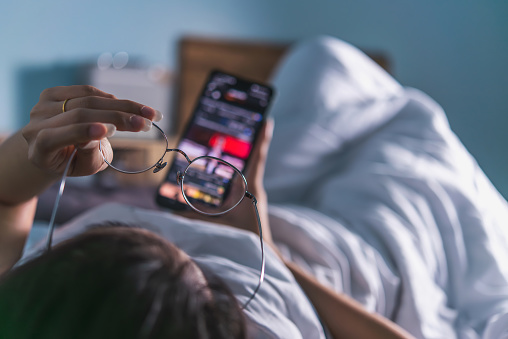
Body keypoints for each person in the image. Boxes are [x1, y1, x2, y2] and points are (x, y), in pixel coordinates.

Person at [0, 76, 416, 337]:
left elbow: (5, 196)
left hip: (243, 215)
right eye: (205, 275)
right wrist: (262, 246)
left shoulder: (19, 312)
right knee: (336, 72)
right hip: (313, 255)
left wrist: (36, 153)